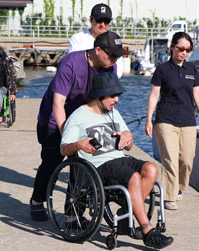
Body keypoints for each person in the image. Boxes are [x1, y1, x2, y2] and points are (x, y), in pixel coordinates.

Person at [61, 71, 174, 249]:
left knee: (151, 168)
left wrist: (127, 136)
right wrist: (78, 144)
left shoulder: (113, 113)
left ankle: (127, 213)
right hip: (98, 166)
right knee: (133, 177)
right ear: (99, 95)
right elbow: (63, 149)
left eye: (118, 95)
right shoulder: (78, 117)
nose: (117, 100)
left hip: (120, 159)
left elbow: (128, 146)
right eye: (113, 96)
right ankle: (147, 230)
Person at [30, 31, 127, 222]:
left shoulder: (110, 69)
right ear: (97, 50)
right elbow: (58, 103)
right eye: (112, 55)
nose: (115, 60)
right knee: (51, 163)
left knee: (83, 165)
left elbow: (107, 101)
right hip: (54, 119)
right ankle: (36, 201)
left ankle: (72, 215)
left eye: (118, 56)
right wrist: (68, 138)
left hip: (84, 118)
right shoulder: (71, 63)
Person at [145, 32, 199, 210]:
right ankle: (169, 197)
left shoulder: (192, 69)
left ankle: (180, 188)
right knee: (170, 160)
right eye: (181, 48)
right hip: (166, 119)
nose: (184, 53)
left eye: (188, 50)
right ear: (172, 47)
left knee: (187, 160)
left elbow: (197, 94)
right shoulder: (163, 69)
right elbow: (154, 95)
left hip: (188, 120)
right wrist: (149, 120)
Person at [69, 3, 123, 78]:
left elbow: (118, 72)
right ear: (91, 19)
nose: (102, 25)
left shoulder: (114, 39)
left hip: (107, 84)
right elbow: (74, 66)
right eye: (99, 20)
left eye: (106, 21)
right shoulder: (77, 39)